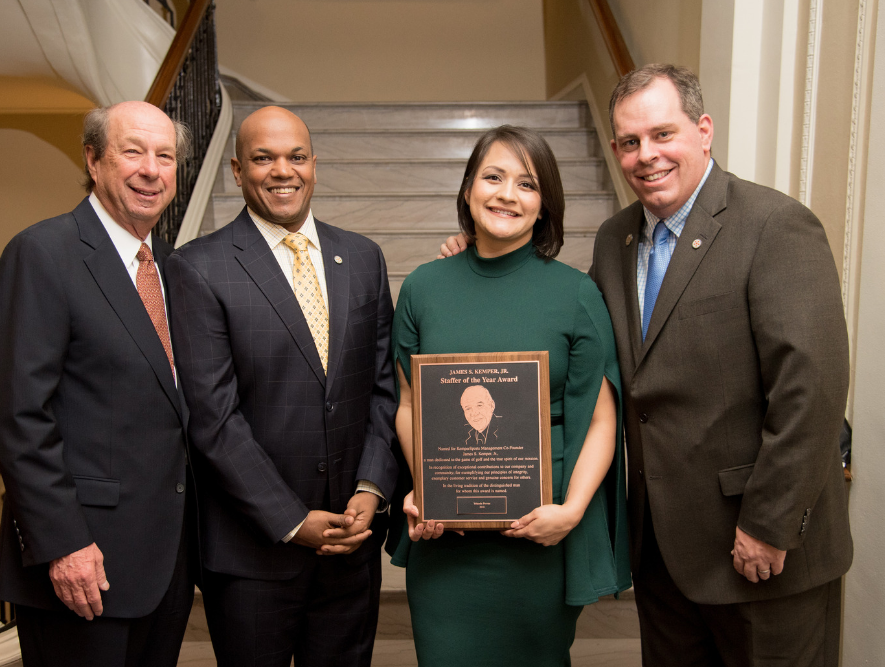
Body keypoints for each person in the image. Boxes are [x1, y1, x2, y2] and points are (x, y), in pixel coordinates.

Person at [441, 65, 852, 666]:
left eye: (663, 134)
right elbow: (566, 328)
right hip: (660, 552)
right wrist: (473, 257)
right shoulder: (616, 239)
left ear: (704, 130)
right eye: (630, 142)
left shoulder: (774, 225)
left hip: (762, 547)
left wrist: (769, 523)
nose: (646, 155)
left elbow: (811, 390)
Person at [165, 106, 399, 667]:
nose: (282, 171)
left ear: (314, 165)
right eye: (263, 158)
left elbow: (386, 387)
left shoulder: (363, 257)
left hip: (351, 541)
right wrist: (292, 521)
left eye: (296, 156)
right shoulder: (197, 269)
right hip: (253, 552)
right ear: (237, 171)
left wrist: (371, 488)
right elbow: (213, 418)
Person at [393, 125, 630, 667]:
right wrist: (427, 487)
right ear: (468, 189)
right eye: (492, 177)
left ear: (545, 205)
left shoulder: (575, 294)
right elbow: (409, 406)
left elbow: (600, 419)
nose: (506, 194)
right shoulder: (422, 288)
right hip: (446, 547)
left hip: (539, 538)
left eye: (527, 184)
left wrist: (570, 512)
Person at [0, 101, 194, 667]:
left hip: (164, 562)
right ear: (93, 159)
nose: (151, 169)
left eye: (165, 156)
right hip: (82, 566)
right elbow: (18, 417)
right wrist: (63, 544)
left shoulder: (169, 268)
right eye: (133, 151)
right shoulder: (43, 254)